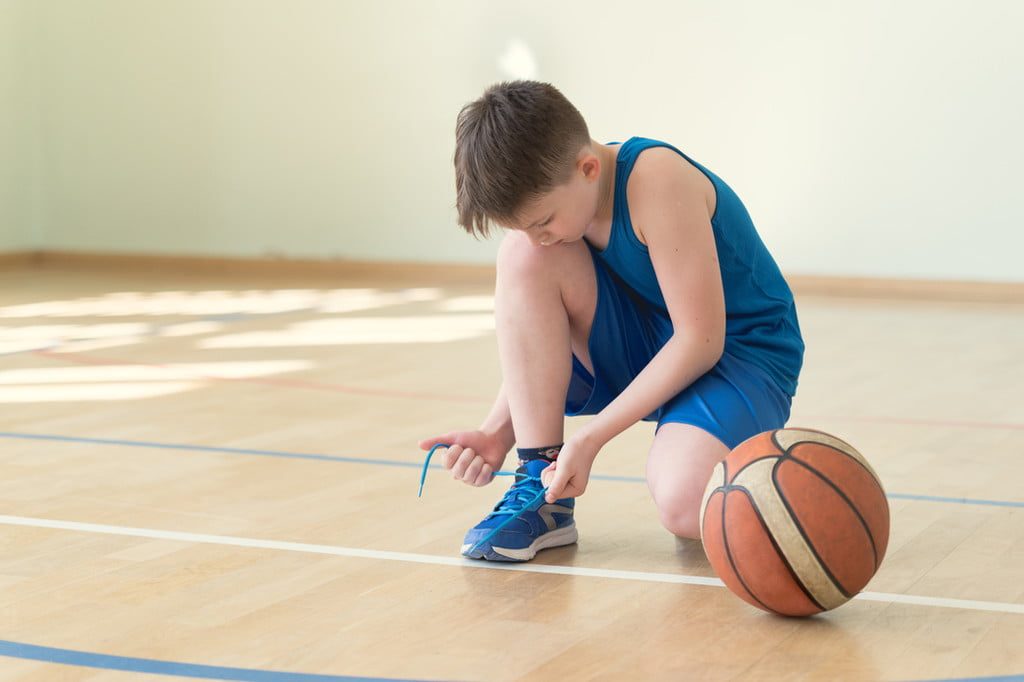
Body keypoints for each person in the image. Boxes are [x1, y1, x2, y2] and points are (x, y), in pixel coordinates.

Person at [418, 80, 804, 562]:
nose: (539, 237)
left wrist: (592, 437)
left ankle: (789, 477)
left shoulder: (657, 179)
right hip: (649, 336)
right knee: (520, 257)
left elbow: (701, 339)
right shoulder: (559, 215)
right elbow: (538, 336)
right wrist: (499, 430)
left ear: (588, 168)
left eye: (543, 221)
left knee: (686, 509)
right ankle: (544, 493)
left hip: (736, 352)